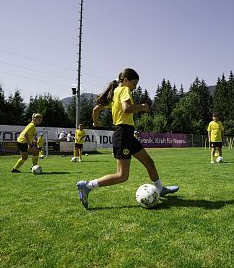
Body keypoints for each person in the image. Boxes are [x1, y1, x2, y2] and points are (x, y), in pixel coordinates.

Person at [76, 68, 179, 209]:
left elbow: (95, 110)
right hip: (123, 133)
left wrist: (96, 122)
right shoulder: (124, 89)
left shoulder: (114, 94)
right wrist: (142, 107)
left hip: (127, 134)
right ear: (125, 80)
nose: (135, 87)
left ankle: (160, 189)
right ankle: (87, 186)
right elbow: (126, 108)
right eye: (134, 83)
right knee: (122, 175)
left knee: (149, 162)